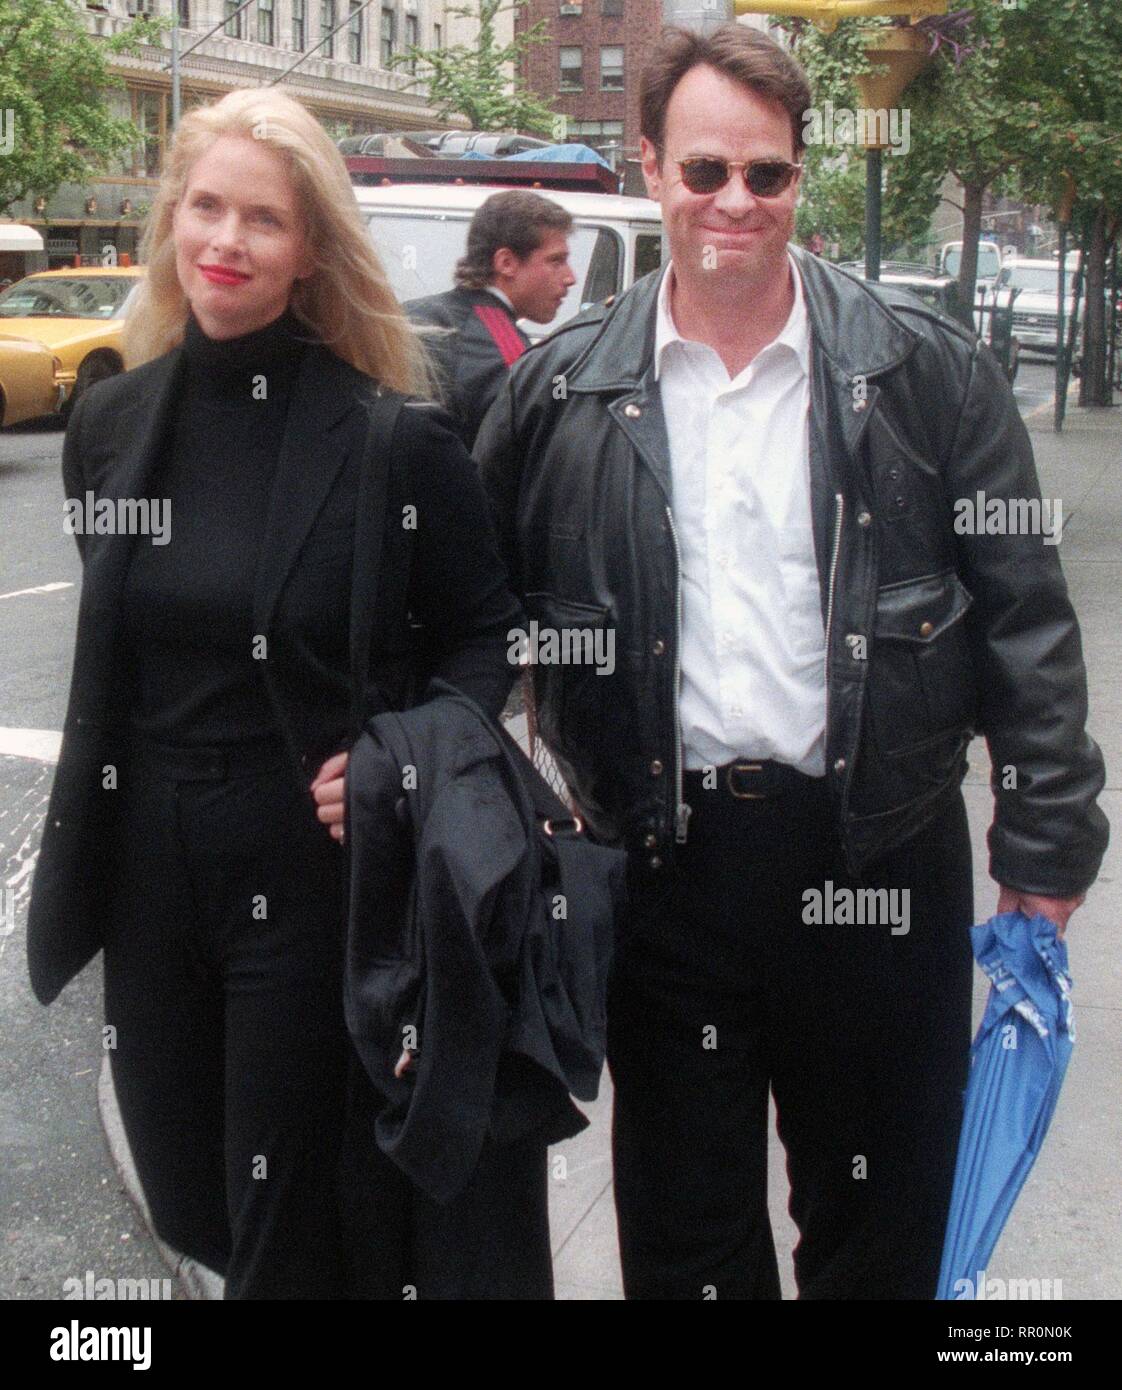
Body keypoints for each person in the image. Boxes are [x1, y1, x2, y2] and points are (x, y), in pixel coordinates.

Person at [475, 24, 1109, 1300]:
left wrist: (1047, 840)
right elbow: (464, 620)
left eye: (767, 175)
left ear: (800, 177)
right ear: (649, 164)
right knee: (689, 1244)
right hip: (665, 871)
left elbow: (1024, 616)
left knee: (881, 1233)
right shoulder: (557, 396)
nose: (735, 204)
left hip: (878, 861)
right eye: (706, 171)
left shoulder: (925, 373)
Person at [27, 88, 521, 1298]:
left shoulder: (389, 439)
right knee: (188, 1190)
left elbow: (484, 635)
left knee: (284, 1209)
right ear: (170, 220)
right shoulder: (112, 421)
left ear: (310, 254)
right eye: (206, 208)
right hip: (148, 864)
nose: (226, 242)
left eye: (263, 219)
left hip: (304, 866)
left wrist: (405, 758)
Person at [405, 190, 576, 448]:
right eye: (556, 261)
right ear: (506, 263)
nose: (570, 277)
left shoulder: (413, 313)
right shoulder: (509, 353)